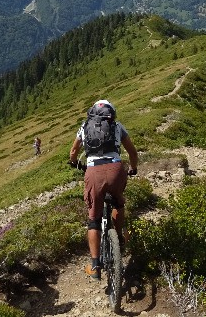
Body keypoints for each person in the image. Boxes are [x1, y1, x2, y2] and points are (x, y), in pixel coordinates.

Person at [68, 99, 139, 280]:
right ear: (111, 113)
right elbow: (132, 152)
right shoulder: (117, 126)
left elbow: (73, 152)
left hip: (93, 172)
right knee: (118, 202)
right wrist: (133, 168)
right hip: (115, 170)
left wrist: (77, 164)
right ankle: (120, 237)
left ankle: (95, 265)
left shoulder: (84, 127)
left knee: (93, 219)